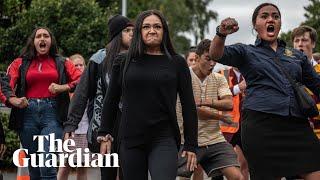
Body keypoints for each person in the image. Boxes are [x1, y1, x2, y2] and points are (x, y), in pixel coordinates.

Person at [209, 3, 320, 179]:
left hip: (297, 126)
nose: (271, 19)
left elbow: (317, 84)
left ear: (280, 24)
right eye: (264, 16)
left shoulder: (296, 55)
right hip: (261, 127)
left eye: (275, 16)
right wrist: (221, 33)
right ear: (255, 25)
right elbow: (215, 54)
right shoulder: (245, 51)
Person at [98, 10, 198, 180]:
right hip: (130, 139)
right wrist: (105, 132)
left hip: (164, 137)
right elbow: (111, 99)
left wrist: (191, 144)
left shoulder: (176, 62)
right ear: (139, 31)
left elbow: (189, 105)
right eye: (146, 27)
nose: (152, 30)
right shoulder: (123, 61)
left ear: (164, 31)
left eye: (157, 26)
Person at [63, 15, 134, 180]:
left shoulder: (138, 58)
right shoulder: (99, 59)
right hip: (105, 126)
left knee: (130, 172)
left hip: (132, 124)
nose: (132, 34)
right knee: (108, 173)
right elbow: (82, 93)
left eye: (133, 30)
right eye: (127, 30)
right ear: (116, 35)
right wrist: (71, 124)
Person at [7, 27, 81, 180]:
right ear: (33, 42)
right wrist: (13, 99)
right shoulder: (20, 62)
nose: (42, 39)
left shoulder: (62, 62)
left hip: (52, 114)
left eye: (46, 36)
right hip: (27, 113)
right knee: (34, 167)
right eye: (38, 36)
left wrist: (63, 87)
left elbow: (82, 79)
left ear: (51, 41)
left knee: (47, 163)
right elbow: (5, 84)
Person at [177, 39, 243, 180]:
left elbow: (228, 104)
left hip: (215, 139)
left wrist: (203, 102)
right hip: (187, 139)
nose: (212, 64)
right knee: (184, 176)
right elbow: (191, 111)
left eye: (215, 60)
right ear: (197, 58)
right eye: (208, 59)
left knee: (238, 177)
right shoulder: (184, 76)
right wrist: (219, 116)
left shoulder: (219, 78)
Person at [58, 54, 88, 180]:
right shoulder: (65, 87)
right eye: (76, 65)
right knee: (65, 166)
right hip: (69, 132)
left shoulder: (89, 86)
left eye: (82, 65)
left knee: (83, 167)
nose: (79, 67)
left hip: (85, 131)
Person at [220, 67, 249, 180]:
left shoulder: (251, 71)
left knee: (245, 164)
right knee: (222, 166)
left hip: (246, 124)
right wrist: (238, 88)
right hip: (227, 127)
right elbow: (218, 95)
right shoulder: (223, 73)